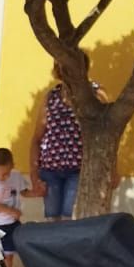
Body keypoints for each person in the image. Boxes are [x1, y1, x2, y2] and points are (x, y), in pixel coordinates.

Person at [30, 81, 91, 222]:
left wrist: (112, 169)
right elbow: (37, 139)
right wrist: (34, 175)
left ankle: (66, 244)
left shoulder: (94, 94)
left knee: (69, 217)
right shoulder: (51, 97)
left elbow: (106, 138)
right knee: (51, 218)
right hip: (50, 171)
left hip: (78, 170)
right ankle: (52, 244)